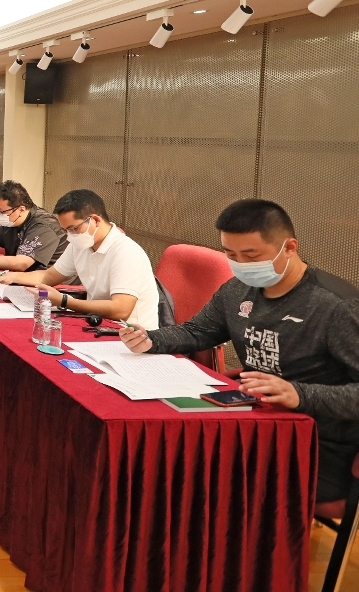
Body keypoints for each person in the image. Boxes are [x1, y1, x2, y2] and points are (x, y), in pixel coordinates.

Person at [120, 199, 359, 503]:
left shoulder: (336, 306)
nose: (242, 264)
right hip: (252, 419)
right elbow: (197, 331)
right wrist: (150, 339)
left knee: (203, 478)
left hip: (317, 441)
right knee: (165, 455)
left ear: (289, 247)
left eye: (251, 255)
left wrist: (300, 394)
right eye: (231, 255)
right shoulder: (236, 291)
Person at [0, 189, 159, 328]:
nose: (69, 236)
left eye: (73, 229)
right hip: (97, 322)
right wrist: (12, 277)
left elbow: (121, 309)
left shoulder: (126, 252)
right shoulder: (80, 245)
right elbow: (49, 276)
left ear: (95, 220)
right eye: (65, 230)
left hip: (131, 335)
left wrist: (64, 301)